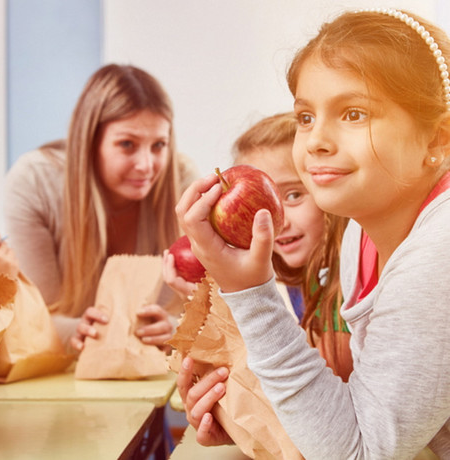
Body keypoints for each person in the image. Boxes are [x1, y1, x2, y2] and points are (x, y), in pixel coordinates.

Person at [175, 8, 450, 458]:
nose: (316, 140)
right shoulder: (357, 235)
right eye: (305, 117)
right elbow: (365, 414)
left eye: (354, 113)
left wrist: (249, 291)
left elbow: (358, 452)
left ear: (437, 141)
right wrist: (261, 417)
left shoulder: (439, 253)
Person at [5, 64, 198, 352]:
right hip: (59, 377)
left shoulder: (180, 181)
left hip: (153, 377)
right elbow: (35, 317)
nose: (146, 165)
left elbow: (202, 307)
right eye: (127, 144)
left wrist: (177, 329)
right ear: (90, 142)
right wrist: (77, 333)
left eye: (159, 145)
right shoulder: (34, 182)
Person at [165, 112, 352, 380]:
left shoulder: (343, 287)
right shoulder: (295, 284)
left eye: (294, 195)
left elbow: (317, 387)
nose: (279, 220)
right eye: (261, 203)